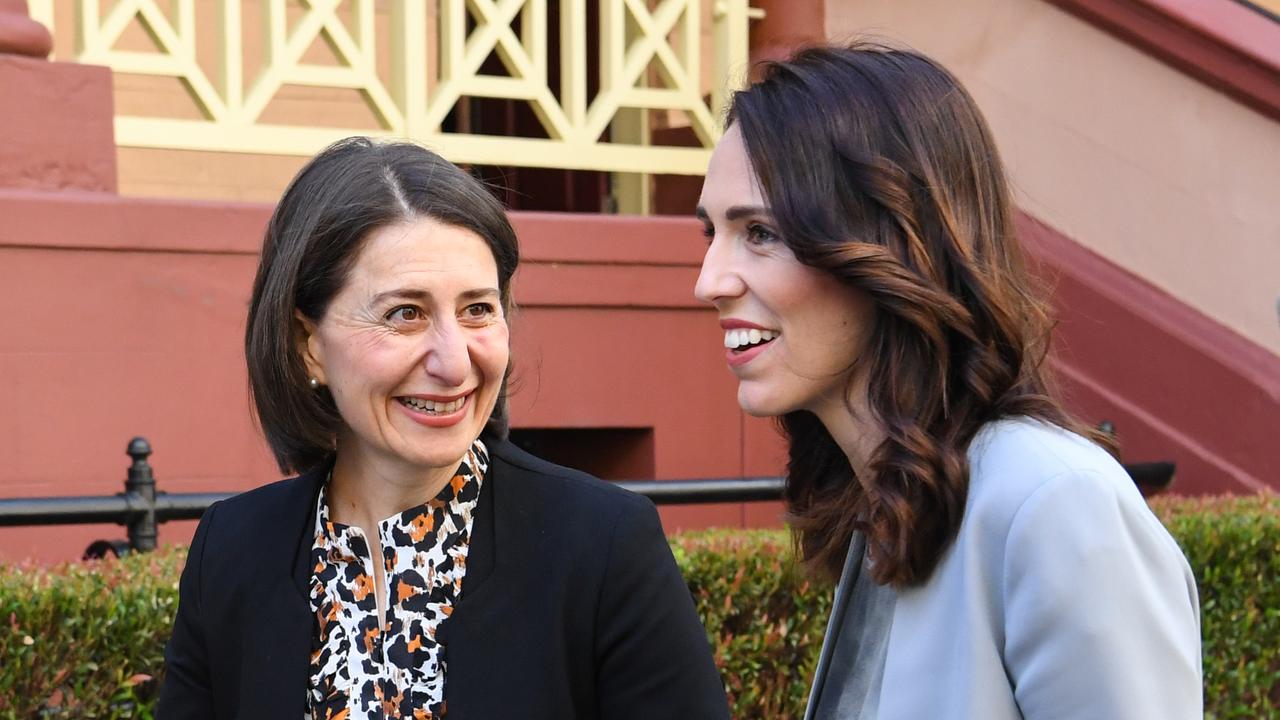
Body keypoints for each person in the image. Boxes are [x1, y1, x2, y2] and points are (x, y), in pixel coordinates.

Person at [694, 43, 1202, 719]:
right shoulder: (896, 499)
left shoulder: (1050, 503)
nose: (709, 282)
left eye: (760, 232)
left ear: (893, 244)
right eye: (711, 233)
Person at [158, 137, 730, 719]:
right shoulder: (231, 551)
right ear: (308, 345)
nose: (455, 362)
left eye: (478, 309)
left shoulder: (603, 547)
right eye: (405, 313)